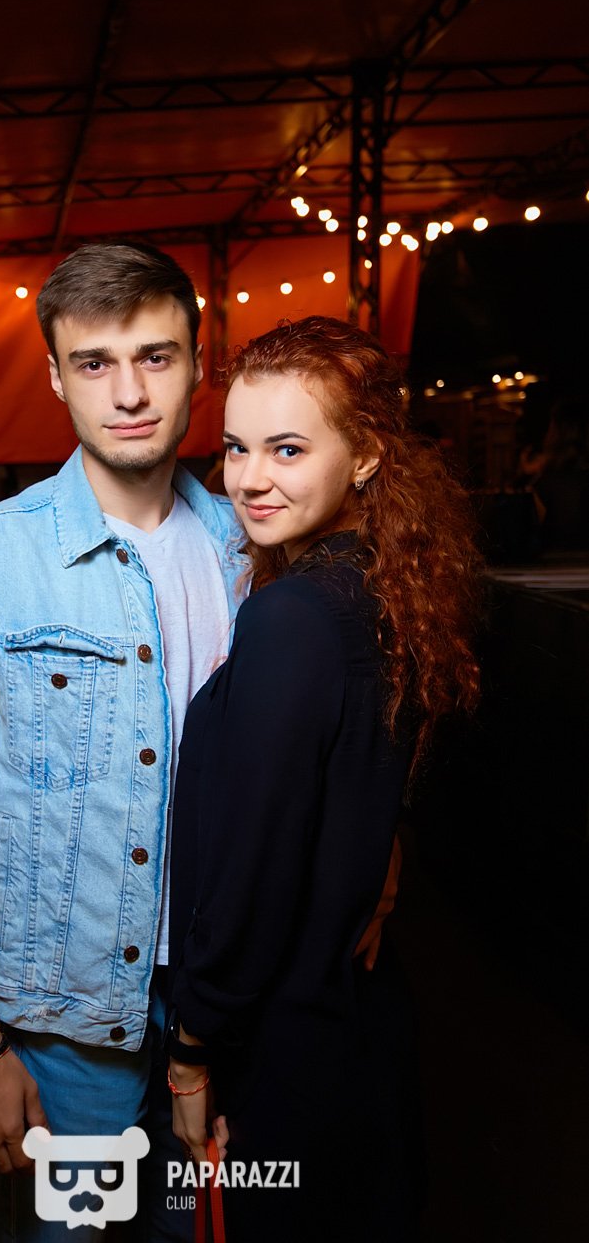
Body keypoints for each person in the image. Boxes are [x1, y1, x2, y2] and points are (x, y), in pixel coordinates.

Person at [0, 246, 395, 1242]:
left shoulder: (257, 542)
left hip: (225, 1007)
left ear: (197, 365)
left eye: (155, 357)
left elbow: (326, 743)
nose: (127, 393)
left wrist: (377, 868)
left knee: (204, 1228)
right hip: (64, 1025)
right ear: (54, 376)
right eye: (93, 363)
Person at [166, 317, 482, 1241]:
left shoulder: (296, 617)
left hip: (286, 1035)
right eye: (235, 447)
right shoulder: (384, 588)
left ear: (366, 456)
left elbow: (253, 866)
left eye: (288, 449)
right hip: (356, 1014)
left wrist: (192, 1045)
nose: (248, 478)